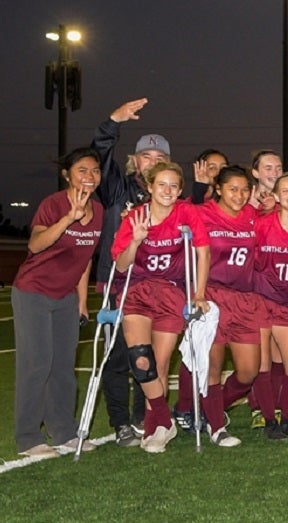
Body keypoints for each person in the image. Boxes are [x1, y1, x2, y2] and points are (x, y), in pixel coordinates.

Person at [110, 162, 210, 454]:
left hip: (170, 292)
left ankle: (155, 428)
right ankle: (164, 420)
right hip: (138, 292)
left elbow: (202, 252)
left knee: (162, 365)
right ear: (150, 187)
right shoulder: (135, 217)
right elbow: (121, 264)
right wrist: (137, 240)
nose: (167, 191)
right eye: (161, 185)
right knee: (142, 362)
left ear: (180, 190)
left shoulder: (187, 212)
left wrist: (199, 293)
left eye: (173, 186)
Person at [13, 148, 104, 457]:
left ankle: (64, 431)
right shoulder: (53, 204)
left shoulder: (100, 211)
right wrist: (69, 218)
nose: (89, 176)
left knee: (64, 367)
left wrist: (81, 301)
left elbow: (84, 258)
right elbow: (35, 244)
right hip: (33, 292)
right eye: (82, 170)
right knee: (37, 364)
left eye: (94, 171)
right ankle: (28, 437)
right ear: (67, 174)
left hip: (66, 297)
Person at [90, 97, 166, 447]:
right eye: (146, 157)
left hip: (156, 286)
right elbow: (99, 158)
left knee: (148, 354)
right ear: (135, 160)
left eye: (160, 159)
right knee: (118, 356)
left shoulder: (167, 195)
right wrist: (113, 122)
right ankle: (120, 422)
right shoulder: (118, 188)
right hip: (118, 283)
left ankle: (143, 417)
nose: (152, 163)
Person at [191, 165, 266, 447]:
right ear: (218, 188)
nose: (240, 195)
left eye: (245, 189)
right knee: (212, 365)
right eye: (233, 189)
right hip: (212, 296)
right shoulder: (201, 214)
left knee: (249, 370)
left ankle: (210, 406)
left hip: (244, 299)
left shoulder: (252, 216)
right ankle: (217, 427)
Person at [252, 173, 288, 440]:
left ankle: (287, 418)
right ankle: (269, 421)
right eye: (284, 191)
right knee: (263, 365)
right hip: (262, 299)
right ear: (275, 196)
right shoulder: (262, 225)